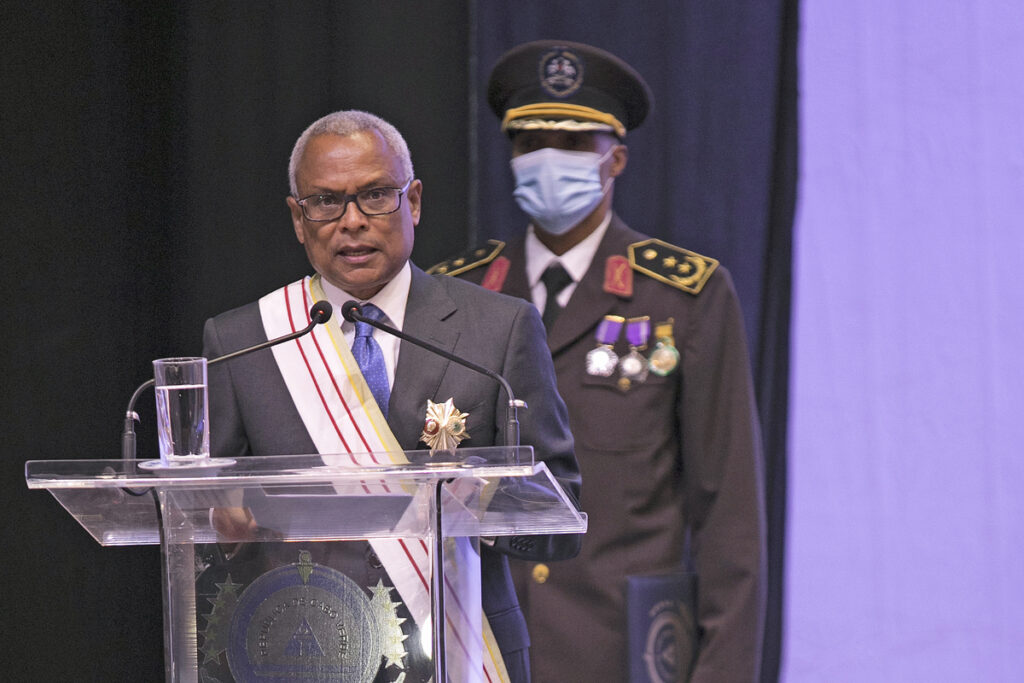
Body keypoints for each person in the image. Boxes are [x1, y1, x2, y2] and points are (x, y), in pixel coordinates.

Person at [202, 109, 581, 682]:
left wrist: (472, 509)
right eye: (326, 202)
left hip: (460, 652)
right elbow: (206, 520)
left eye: (376, 195)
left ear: (416, 201)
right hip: (301, 654)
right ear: (297, 219)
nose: (352, 222)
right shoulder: (243, 340)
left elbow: (563, 512)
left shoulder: (498, 329)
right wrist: (223, 532)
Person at [429, 41, 766, 681]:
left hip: (622, 650)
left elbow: (730, 519)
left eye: (574, 142)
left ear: (616, 159)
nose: (548, 159)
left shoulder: (684, 296)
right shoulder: (458, 296)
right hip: (480, 645)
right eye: (530, 142)